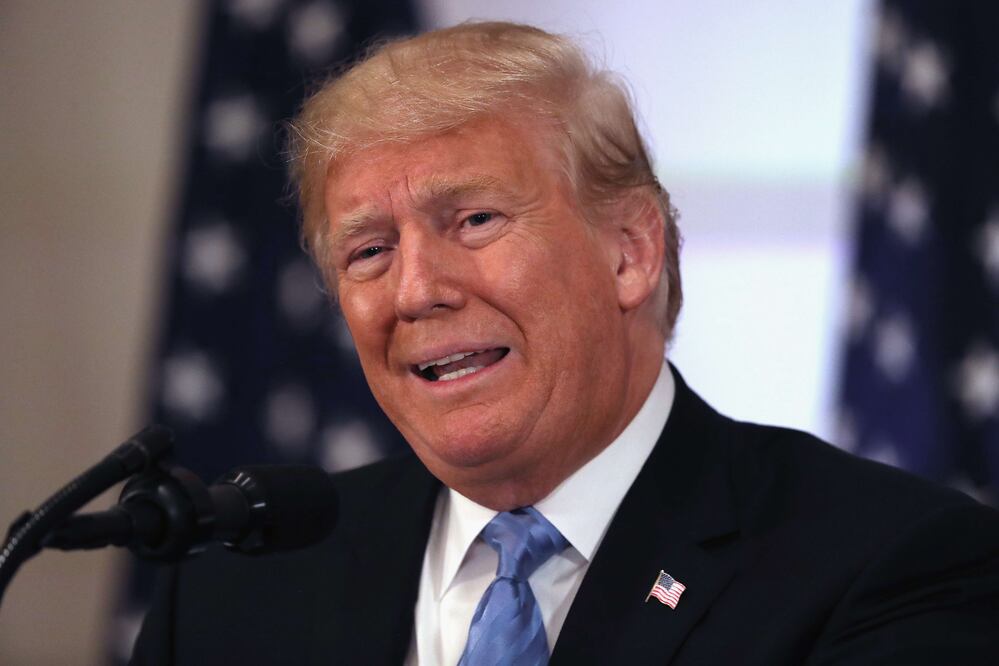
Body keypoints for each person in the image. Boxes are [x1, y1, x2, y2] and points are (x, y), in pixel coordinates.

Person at [131, 21, 999, 665]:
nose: (416, 290)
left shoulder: (884, 566)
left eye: (473, 220)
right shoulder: (226, 596)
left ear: (629, 252)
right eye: (369, 251)